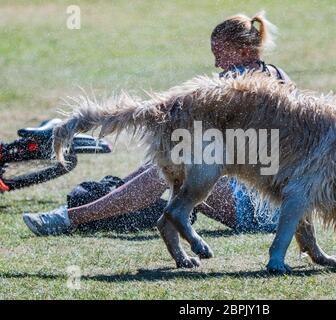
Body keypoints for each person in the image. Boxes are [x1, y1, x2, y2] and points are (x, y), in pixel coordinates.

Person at [23, 12, 291, 236]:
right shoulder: (276, 75)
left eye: (220, 53)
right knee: (167, 163)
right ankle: (102, 200)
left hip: (264, 206)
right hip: (257, 191)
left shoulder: (238, 86)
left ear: (243, 50)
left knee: (163, 173)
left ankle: (68, 219)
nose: (216, 62)